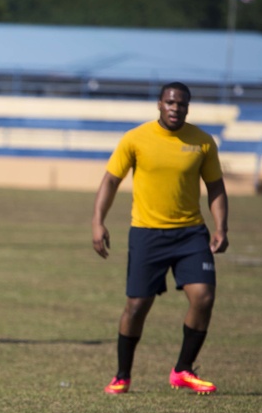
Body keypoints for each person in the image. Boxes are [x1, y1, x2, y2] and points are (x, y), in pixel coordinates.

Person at [92, 81, 228, 395]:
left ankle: (183, 370)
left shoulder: (202, 142)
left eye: (181, 104)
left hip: (191, 234)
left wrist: (222, 227)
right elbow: (110, 181)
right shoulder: (135, 139)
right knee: (137, 306)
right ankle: (122, 375)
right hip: (147, 234)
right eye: (170, 102)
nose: (175, 108)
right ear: (159, 104)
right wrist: (97, 222)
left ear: (187, 108)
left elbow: (216, 188)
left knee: (204, 298)